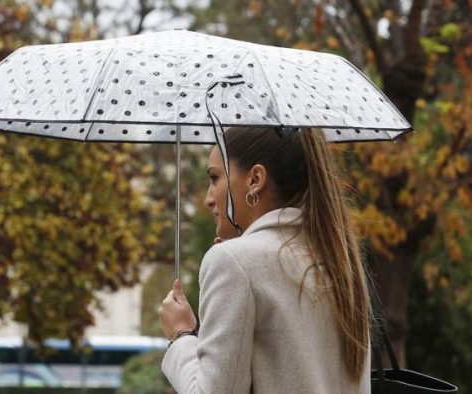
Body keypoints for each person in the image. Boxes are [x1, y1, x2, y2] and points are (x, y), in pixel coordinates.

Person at [158, 126, 372, 393]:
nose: (208, 198)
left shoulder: (231, 262)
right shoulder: (338, 258)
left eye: (215, 178)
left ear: (255, 179)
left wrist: (181, 337)